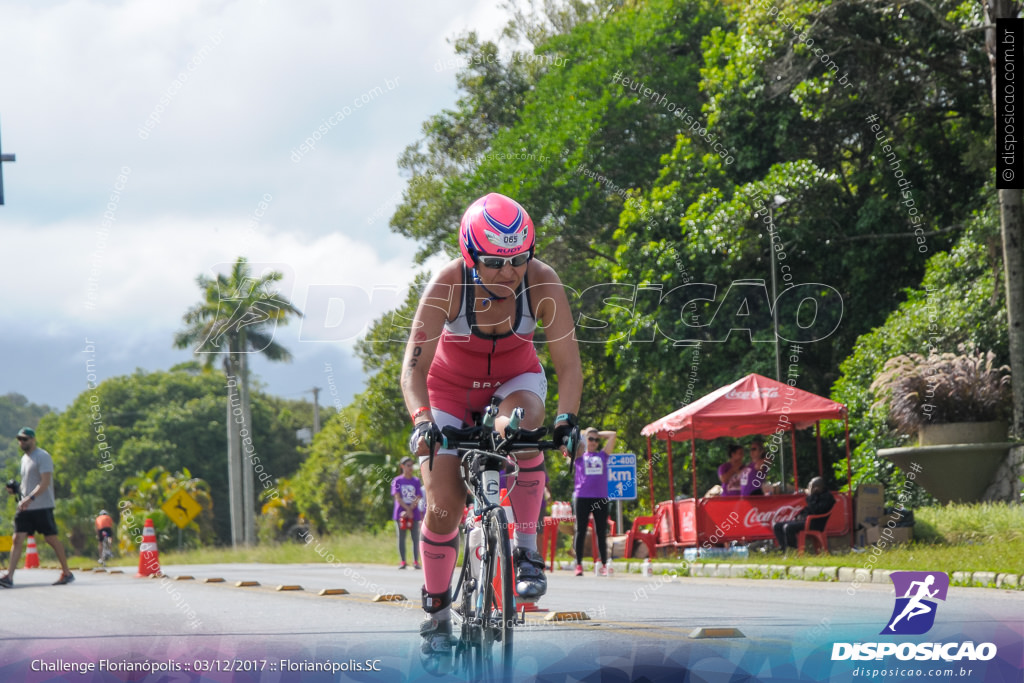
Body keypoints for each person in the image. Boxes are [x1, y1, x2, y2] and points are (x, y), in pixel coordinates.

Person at [401, 192, 582, 670]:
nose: (509, 273)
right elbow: (412, 372)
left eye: (518, 260)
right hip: (448, 393)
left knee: (522, 427)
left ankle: (526, 551)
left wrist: (567, 421)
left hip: (514, 387)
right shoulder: (447, 284)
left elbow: (567, 367)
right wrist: (423, 424)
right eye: (494, 263)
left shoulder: (542, 282)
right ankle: (437, 615)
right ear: (468, 254)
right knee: (442, 508)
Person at [0, 428, 74, 587]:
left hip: (41, 506)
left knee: (51, 538)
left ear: (33, 439)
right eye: (20, 439)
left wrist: (30, 498)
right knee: (17, 538)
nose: (22, 442)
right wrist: (17, 490)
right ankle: (9, 577)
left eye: (25, 439)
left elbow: (44, 482)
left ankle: (67, 572)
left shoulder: (42, 456)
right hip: (26, 507)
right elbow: (29, 483)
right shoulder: (24, 459)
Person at [572, 428, 616, 576]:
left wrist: (596, 434)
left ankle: (604, 563)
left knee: (601, 531)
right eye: (591, 439)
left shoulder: (603, 455)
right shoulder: (579, 455)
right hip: (583, 497)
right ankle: (578, 564)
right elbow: (573, 436)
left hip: (600, 497)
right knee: (581, 530)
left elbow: (613, 435)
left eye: (596, 440)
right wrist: (586, 433)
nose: (594, 442)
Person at [772, 476, 835, 553]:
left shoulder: (827, 497)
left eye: (810, 486)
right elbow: (808, 509)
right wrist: (799, 515)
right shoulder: (816, 495)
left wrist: (810, 496)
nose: (808, 489)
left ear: (817, 488)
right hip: (807, 521)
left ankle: (792, 551)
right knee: (777, 526)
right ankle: (784, 550)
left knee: (788, 527)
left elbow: (816, 510)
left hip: (816, 523)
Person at [391, 456, 423, 570]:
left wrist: (410, 510)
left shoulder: (416, 481)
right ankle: (403, 561)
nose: (410, 468)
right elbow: (398, 497)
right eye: (408, 465)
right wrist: (406, 510)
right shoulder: (397, 480)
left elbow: (418, 496)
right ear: (402, 466)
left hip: (414, 514)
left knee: (415, 538)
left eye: (411, 466)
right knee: (401, 538)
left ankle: (416, 561)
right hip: (400, 514)